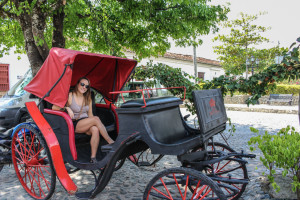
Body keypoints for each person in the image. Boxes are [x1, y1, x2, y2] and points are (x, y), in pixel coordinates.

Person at [53, 77, 114, 163]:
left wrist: (93, 123)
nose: (84, 87)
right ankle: (110, 141)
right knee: (96, 119)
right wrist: (67, 108)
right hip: (75, 124)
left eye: (87, 86)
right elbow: (54, 107)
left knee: (95, 129)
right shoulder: (70, 95)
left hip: (86, 122)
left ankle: (93, 158)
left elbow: (90, 114)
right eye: (82, 84)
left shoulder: (87, 97)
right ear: (78, 84)